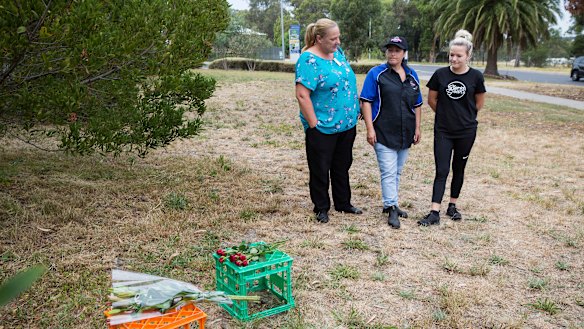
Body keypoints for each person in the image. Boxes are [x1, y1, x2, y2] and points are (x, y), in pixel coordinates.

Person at [295, 18, 362, 223]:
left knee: (342, 165)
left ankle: (343, 203)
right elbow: (302, 95)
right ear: (319, 39)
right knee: (320, 168)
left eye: (338, 37)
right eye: (333, 38)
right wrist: (314, 124)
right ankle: (321, 207)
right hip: (323, 126)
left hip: (346, 124)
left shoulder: (338, 55)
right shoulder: (308, 60)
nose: (338, 42)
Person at [418, 30, 486, 226]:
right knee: (442, 170)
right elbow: (432, 100)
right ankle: (434, 211)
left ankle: (452, 206)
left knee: (459, 168)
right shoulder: (440, 74)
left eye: (459, 55)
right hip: (443, 131)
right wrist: (447, 115)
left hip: (466, 131)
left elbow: (478, 103)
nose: (454, 58)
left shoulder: (476, 77)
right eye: (451, 55)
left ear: (468, 56)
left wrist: (464, 117)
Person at [360, 36, 423, 229]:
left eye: (397, 50)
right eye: (389, 50)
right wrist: (370, 129)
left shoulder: (412, 74)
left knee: (396, 171)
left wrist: (418, 127)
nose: (392, 53)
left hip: (405, 131)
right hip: (383, 131)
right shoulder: (376, 74)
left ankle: (391, 203)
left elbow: (418, 103)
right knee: (388, 171)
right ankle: (392, 207)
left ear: (404, 53)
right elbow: (366, 102)